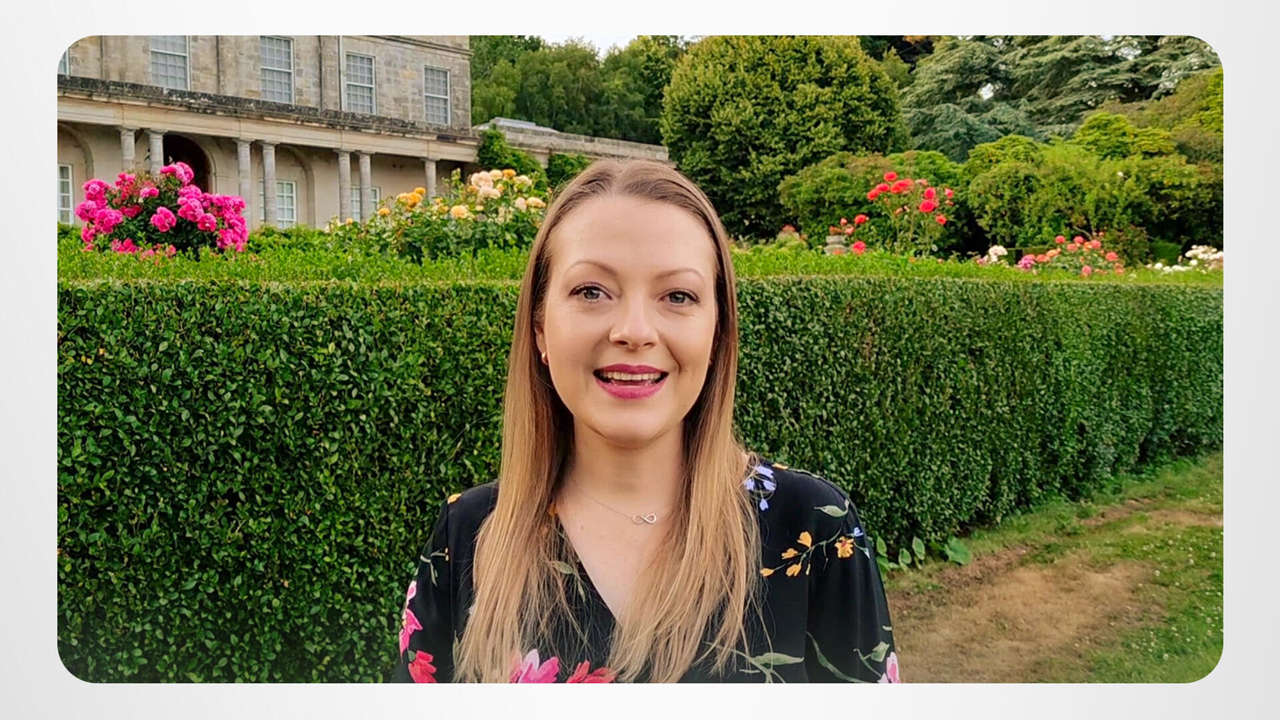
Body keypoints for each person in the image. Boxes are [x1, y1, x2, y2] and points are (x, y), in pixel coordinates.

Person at [392, 160, 898, 683]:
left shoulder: (815, 530)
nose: (634, 331)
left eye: (678, 296)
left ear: (717, 332)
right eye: (591, 291)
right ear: (540, 328)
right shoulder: (469, 535)